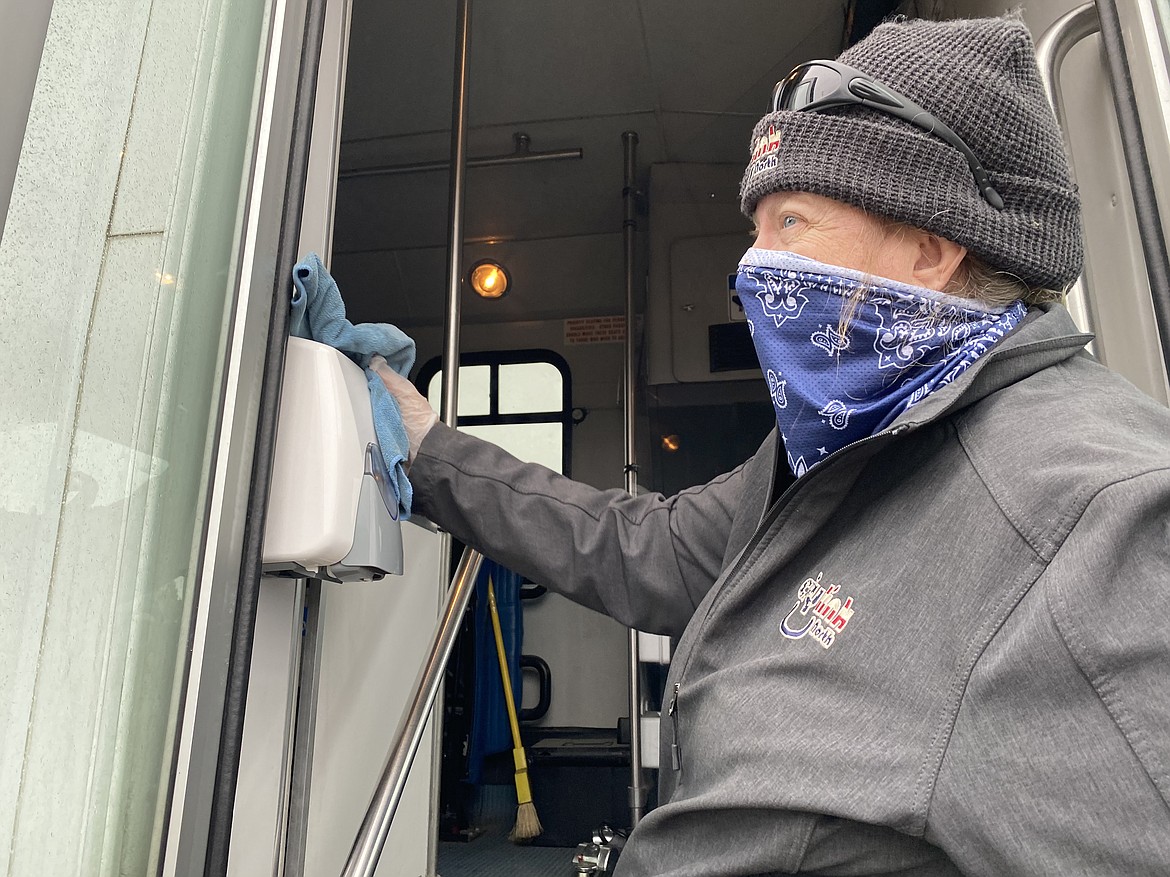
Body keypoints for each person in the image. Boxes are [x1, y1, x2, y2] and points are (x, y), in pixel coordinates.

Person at [374, 14, 1170, 876]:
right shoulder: (838, 450)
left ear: (930, 249)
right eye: (755, 228)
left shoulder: (1099, 529)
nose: (750, 269)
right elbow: (648, 546)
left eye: (790, 223)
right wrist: (427, 445)